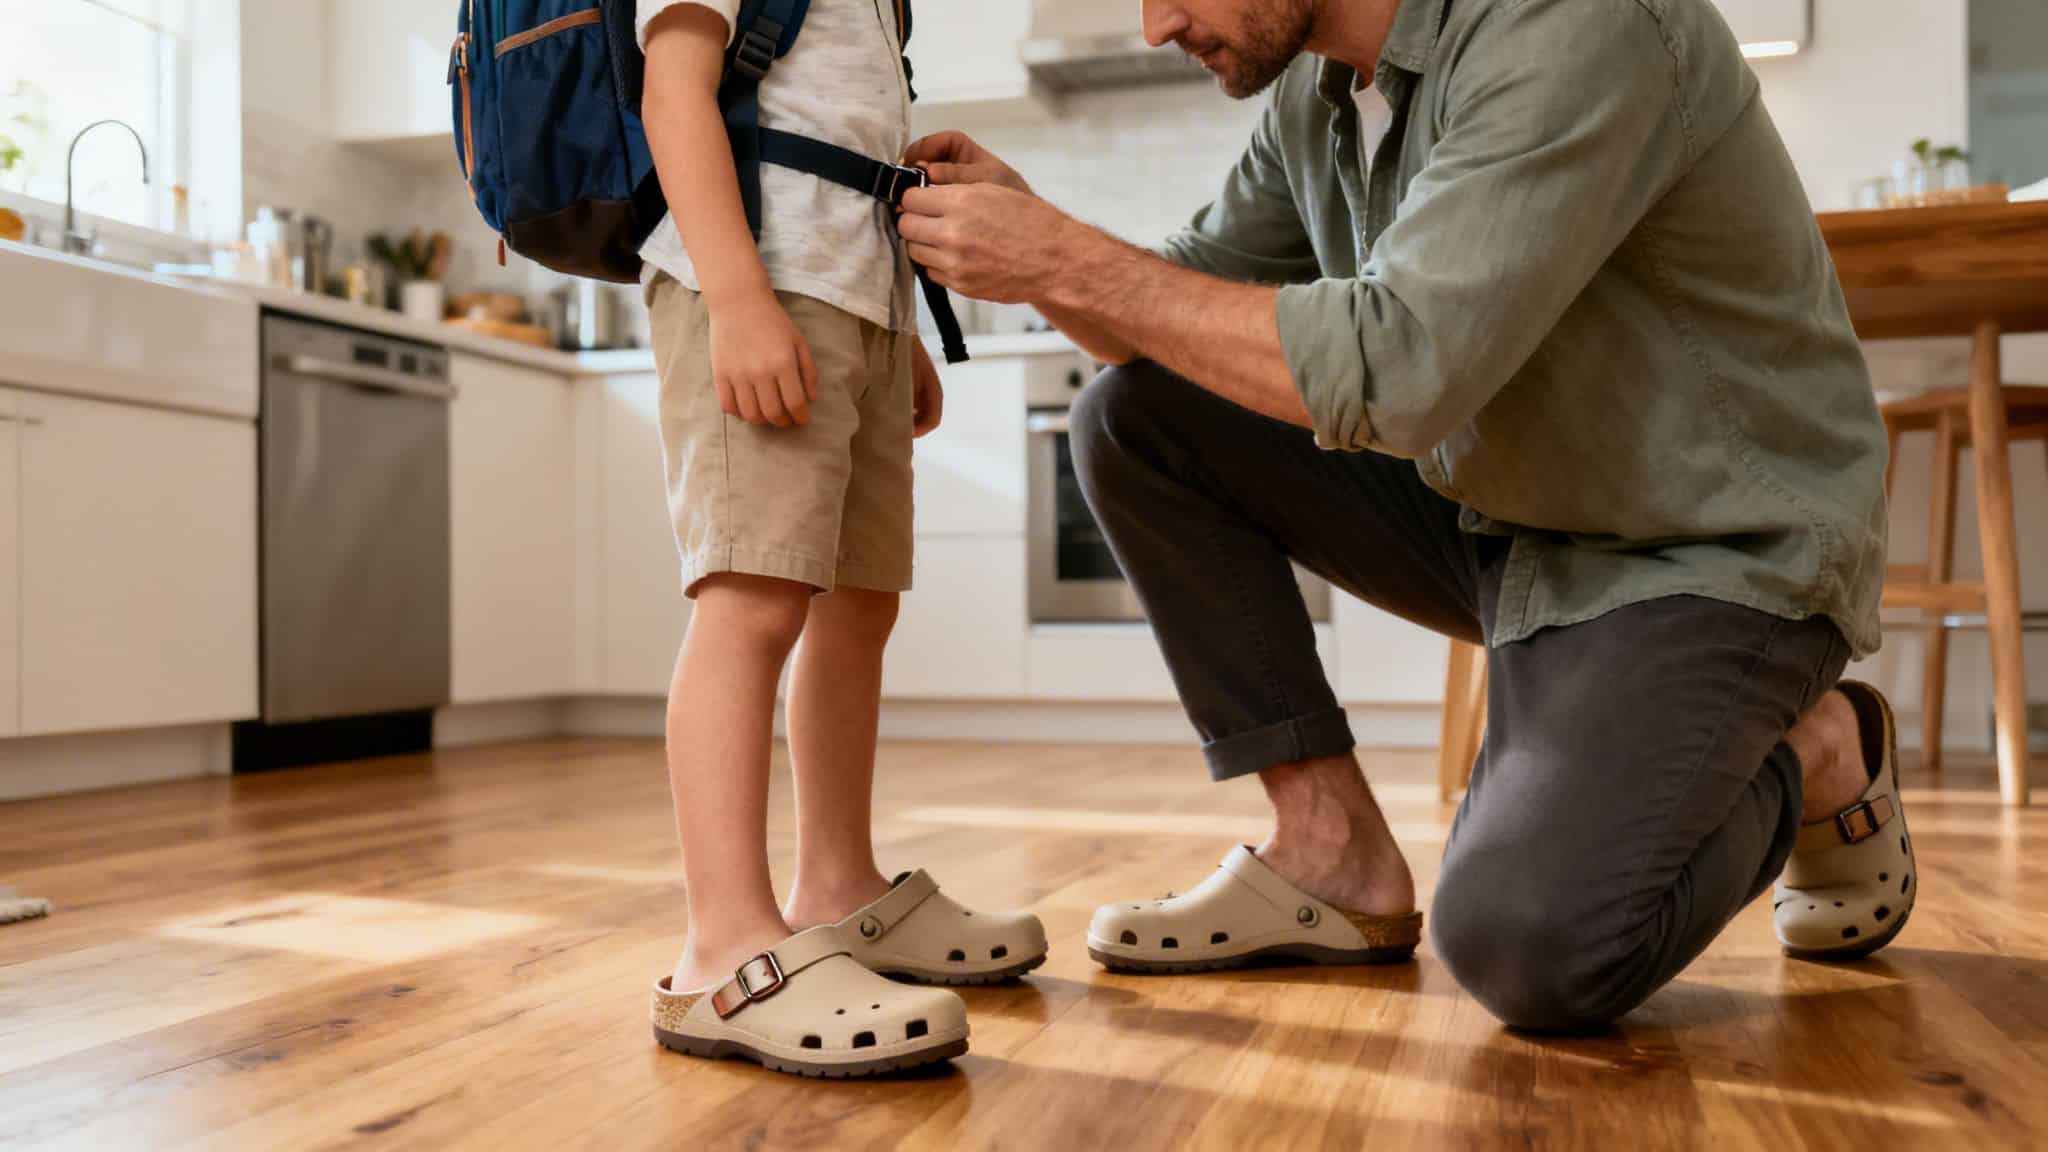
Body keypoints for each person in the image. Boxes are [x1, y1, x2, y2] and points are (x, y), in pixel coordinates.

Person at [895, 0, 1909, 1031]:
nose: (1154, 25)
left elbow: (1399, 370)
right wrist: (1030, 234)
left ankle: (1814, 743)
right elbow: (1161, 317)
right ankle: (1328, 851)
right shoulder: (1317, 93)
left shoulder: (1577, 24)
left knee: (1530, 947)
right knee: (1136, 417)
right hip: (1515, 523)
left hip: (1707, 547)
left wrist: (1061, 257)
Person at [636, 0, 1047, 1076]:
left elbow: (851, 143)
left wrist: (898, 322)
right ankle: (721, 946)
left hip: (854, 301)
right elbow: (673, 88)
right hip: (760, 283)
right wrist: (734, 297)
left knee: (860, 601)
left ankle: (840, 888)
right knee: (753, 596)